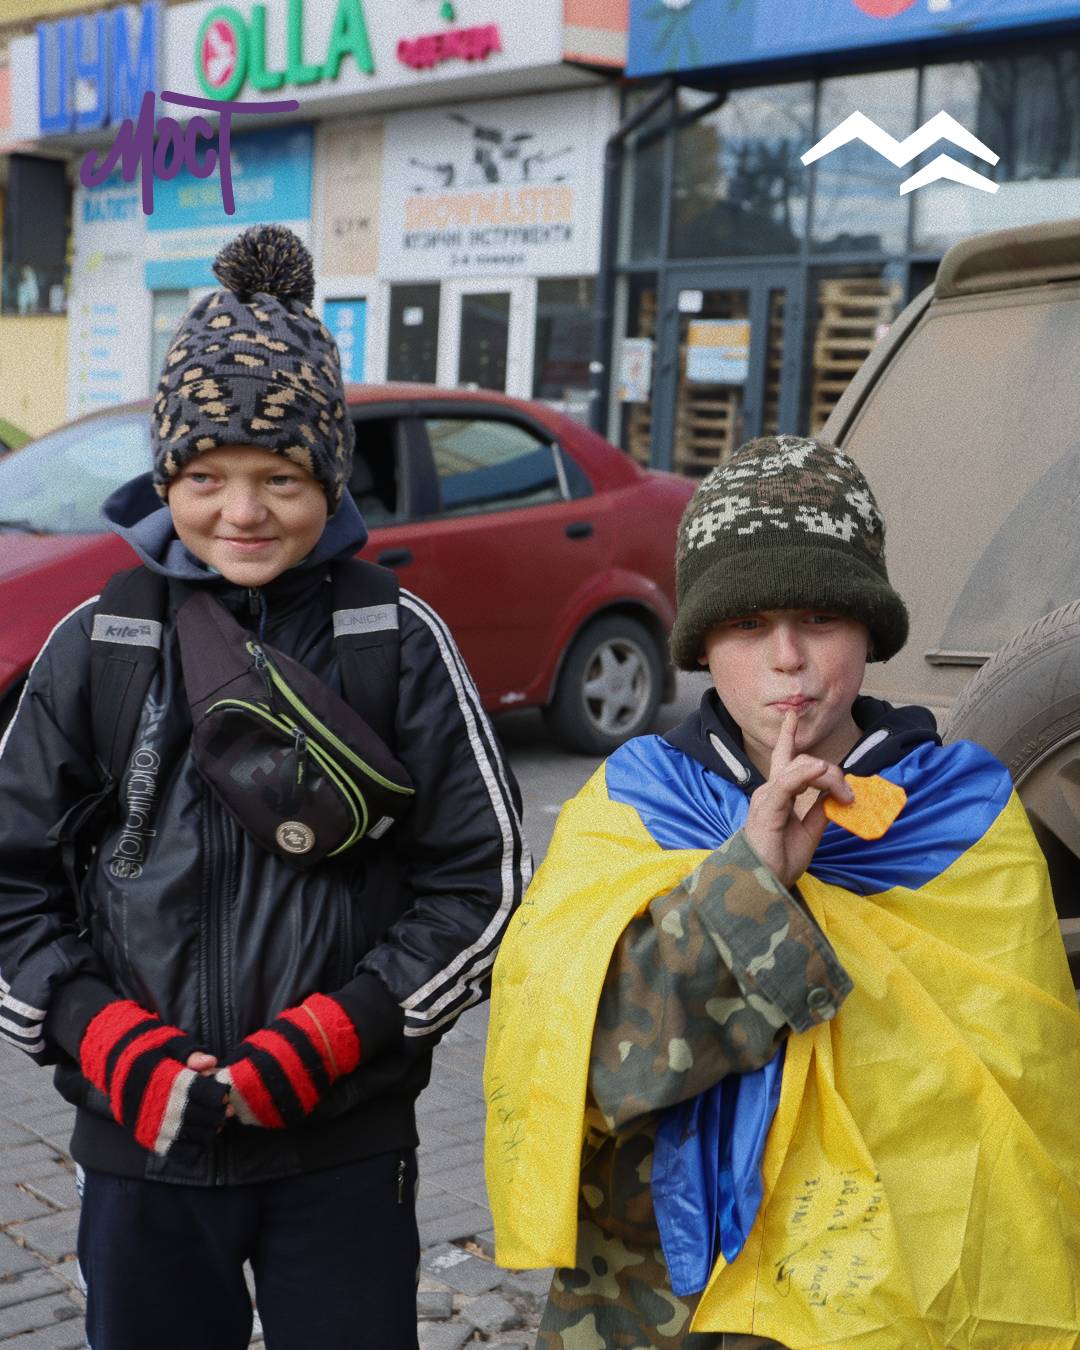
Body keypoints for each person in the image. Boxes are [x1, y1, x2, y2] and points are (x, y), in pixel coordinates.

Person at [0, 223, 529, 1350]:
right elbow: (11, 884)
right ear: (167, 478)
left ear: (327, 477)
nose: (242, 512)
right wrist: (105, 1040)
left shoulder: (394, 639)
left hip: (342, 1146)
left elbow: (481, 884)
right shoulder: (102, 645)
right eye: (207, 477)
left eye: (279, 477)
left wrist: (327, 1040)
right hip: (139, 1147)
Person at [484, 435, 1080, 1350]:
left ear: (870, 629)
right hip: (660, 1294)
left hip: (886, 1299)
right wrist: (750, 880)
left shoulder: (961, 815)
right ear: (703, 644)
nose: (789, 658)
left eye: (821, 618)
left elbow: (1022, 1094)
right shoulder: (635, 806)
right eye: (748, 624)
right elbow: (587, 1074)